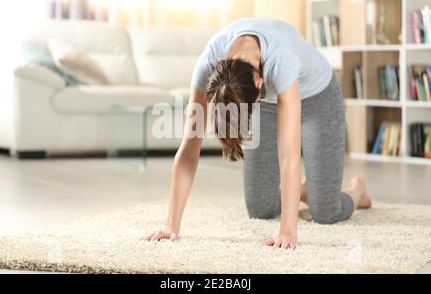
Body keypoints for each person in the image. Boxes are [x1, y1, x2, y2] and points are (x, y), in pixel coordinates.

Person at [143, 17, 372, 249]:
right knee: (261, 209)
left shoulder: (281, 60)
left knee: (326, 213)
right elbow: (188, 150)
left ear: (260, 84)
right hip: (268, 102)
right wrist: (171, 225)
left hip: (317, 97)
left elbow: (289, 157)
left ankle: (356, 191)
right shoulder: (208, 62)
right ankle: (305, 190)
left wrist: (288, 232)